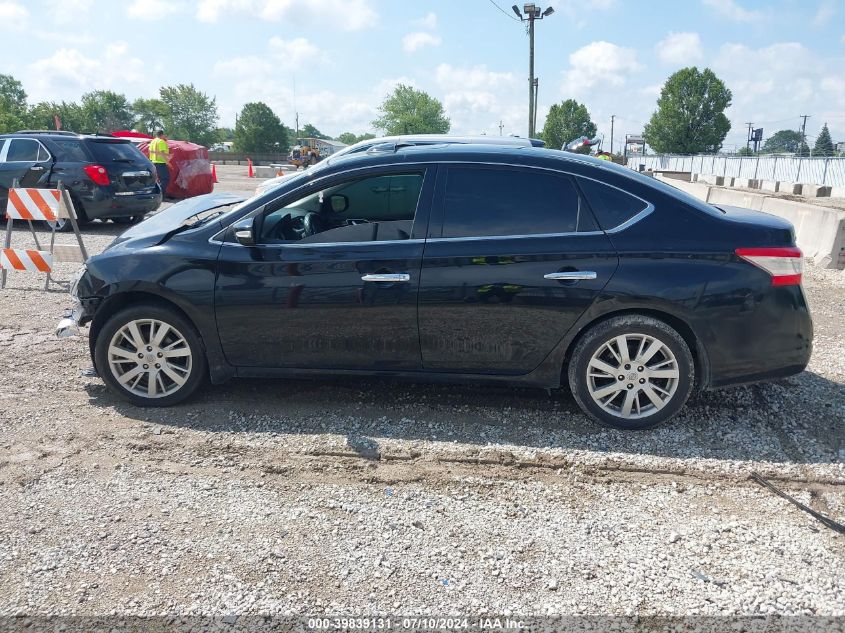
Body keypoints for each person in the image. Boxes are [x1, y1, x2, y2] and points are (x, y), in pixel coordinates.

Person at [149, 130, 171, 197]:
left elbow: (151, 151)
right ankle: (160, 195)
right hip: (160, 163)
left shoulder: (153, 141)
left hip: (153, 162)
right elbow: (162, 153)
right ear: (162, 134)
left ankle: (157, 194)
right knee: (165, 178)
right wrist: (167, 162)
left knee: (159, 179)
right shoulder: (161, 141)